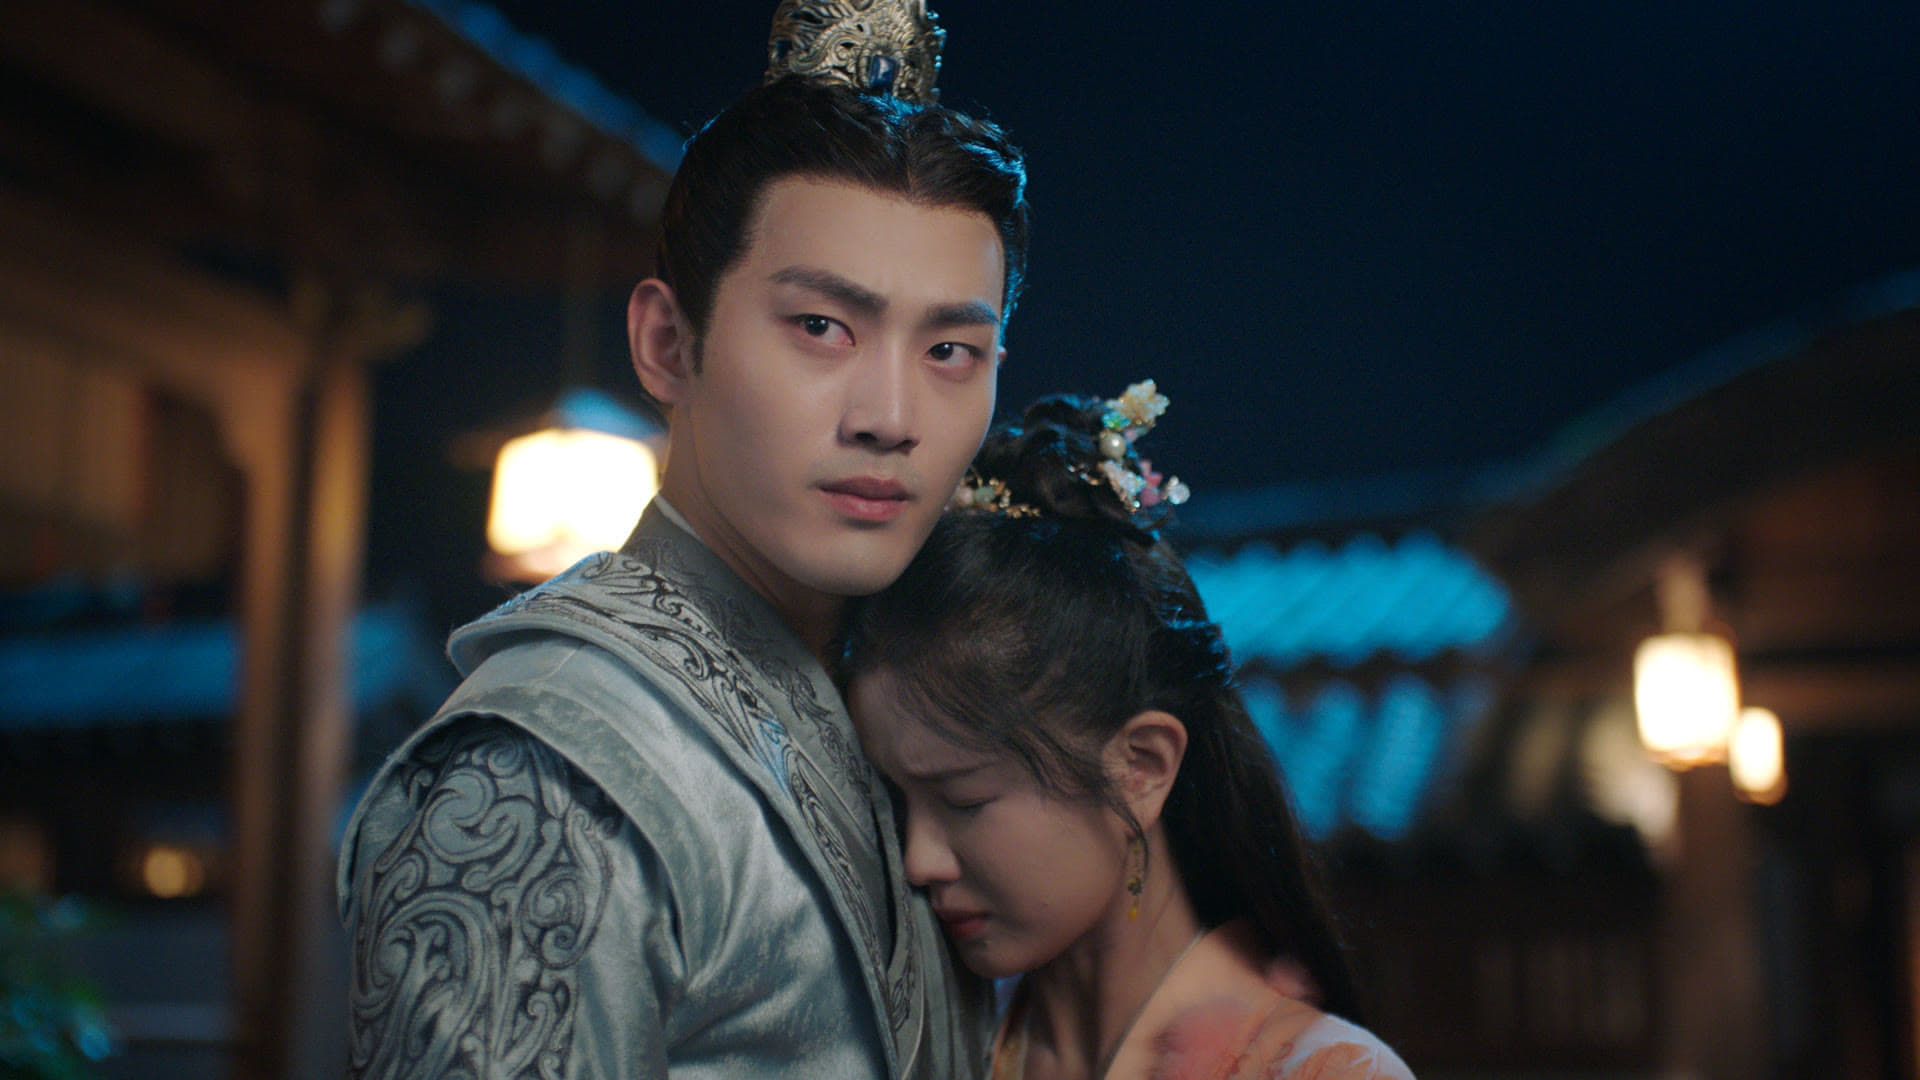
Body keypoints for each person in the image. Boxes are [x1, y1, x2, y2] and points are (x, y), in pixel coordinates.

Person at [336, 3, 1029, 1077]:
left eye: (949, 351)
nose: (890, 417)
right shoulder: (544, 771)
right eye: (821, 328)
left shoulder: (909, 713)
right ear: (667, 343)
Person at [844, 385, 1416, 1080]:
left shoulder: (1325, 1071)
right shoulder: (924, 1051)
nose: (918, 861)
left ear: (1140, 767)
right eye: (897, 805)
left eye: (963, 798)